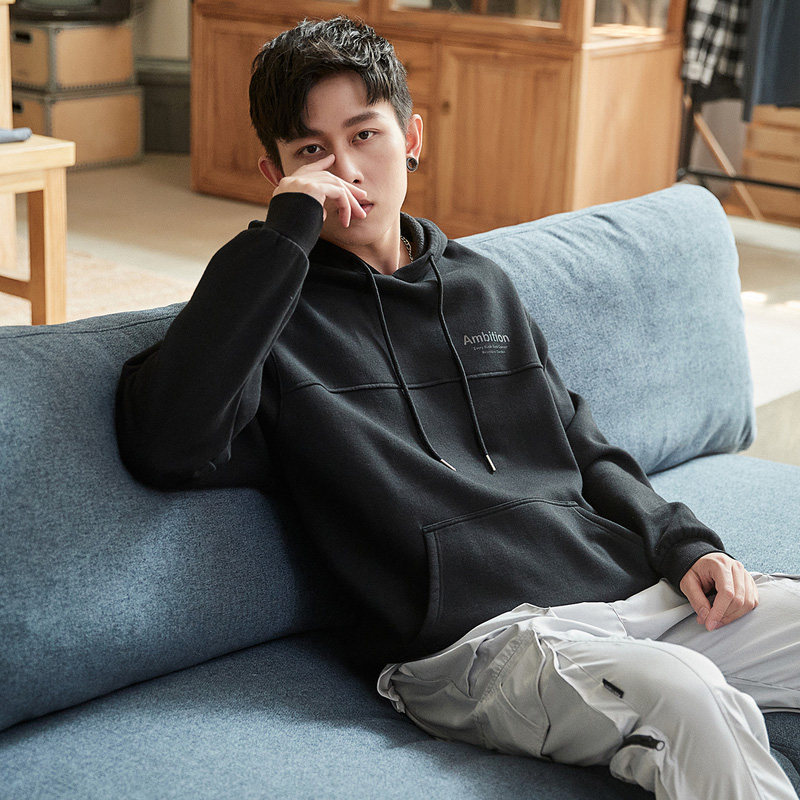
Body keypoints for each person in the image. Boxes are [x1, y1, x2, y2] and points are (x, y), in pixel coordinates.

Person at [114, 14, 800, 800]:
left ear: (410, 137)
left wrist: (683, 544)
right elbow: (165, 442)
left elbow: (580, 443)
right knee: (685, 695)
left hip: (626, 597)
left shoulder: (481, 286)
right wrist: (284, 237)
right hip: (476, 649)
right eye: (312, 153)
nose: (347, 172)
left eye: (364, 135)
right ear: (276, 175)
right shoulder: (266, 318)